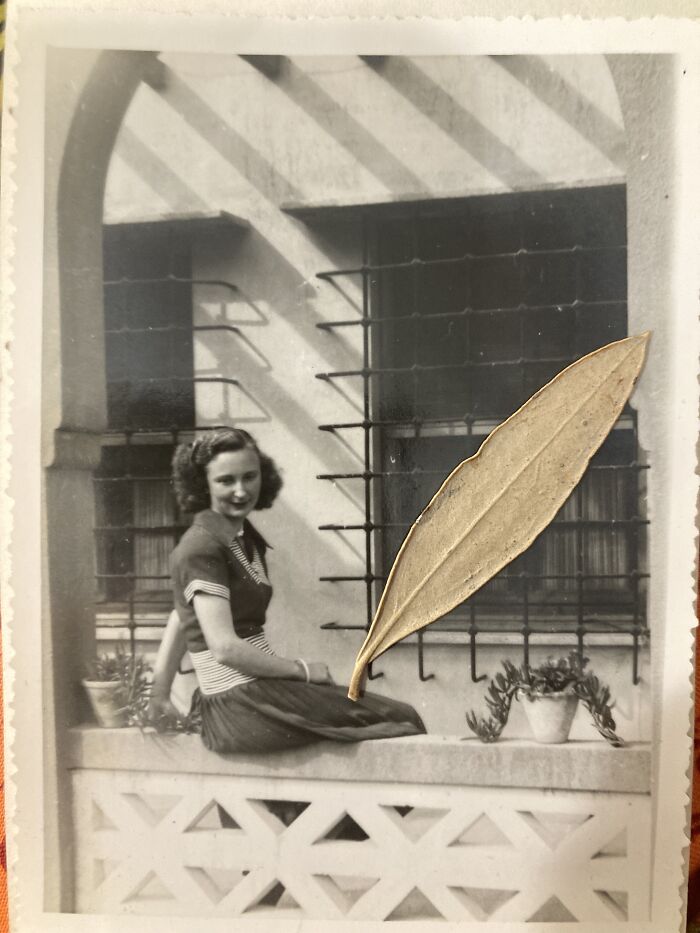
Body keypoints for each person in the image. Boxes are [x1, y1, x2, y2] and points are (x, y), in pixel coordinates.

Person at [147, 427, 425, 754]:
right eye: (225, 481)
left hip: (257, 692)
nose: (240, 491)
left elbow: (183, 614)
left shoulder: (241, 539)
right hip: (237, 704)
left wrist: (160, 692)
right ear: (201, 484)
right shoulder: (201, 547)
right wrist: (302, 670)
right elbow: (224, 649)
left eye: (249, 477)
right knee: (400, 721)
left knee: (387, 723)